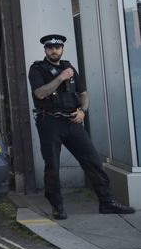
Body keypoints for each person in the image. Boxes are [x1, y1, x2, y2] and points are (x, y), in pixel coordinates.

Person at [28, 34, 135, 219]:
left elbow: (83, 93)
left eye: (58, 47)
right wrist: (61, 77)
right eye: (50, 48)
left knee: (92, 160)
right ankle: (57, 206)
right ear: (45, 50)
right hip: (50, 122)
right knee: (52, 165)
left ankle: (107, 201)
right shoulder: (37, 69)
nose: (54, 50)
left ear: (62, 49)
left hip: (73, 121)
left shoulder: (69, 67)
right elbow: (39, 93)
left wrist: (83, 111)